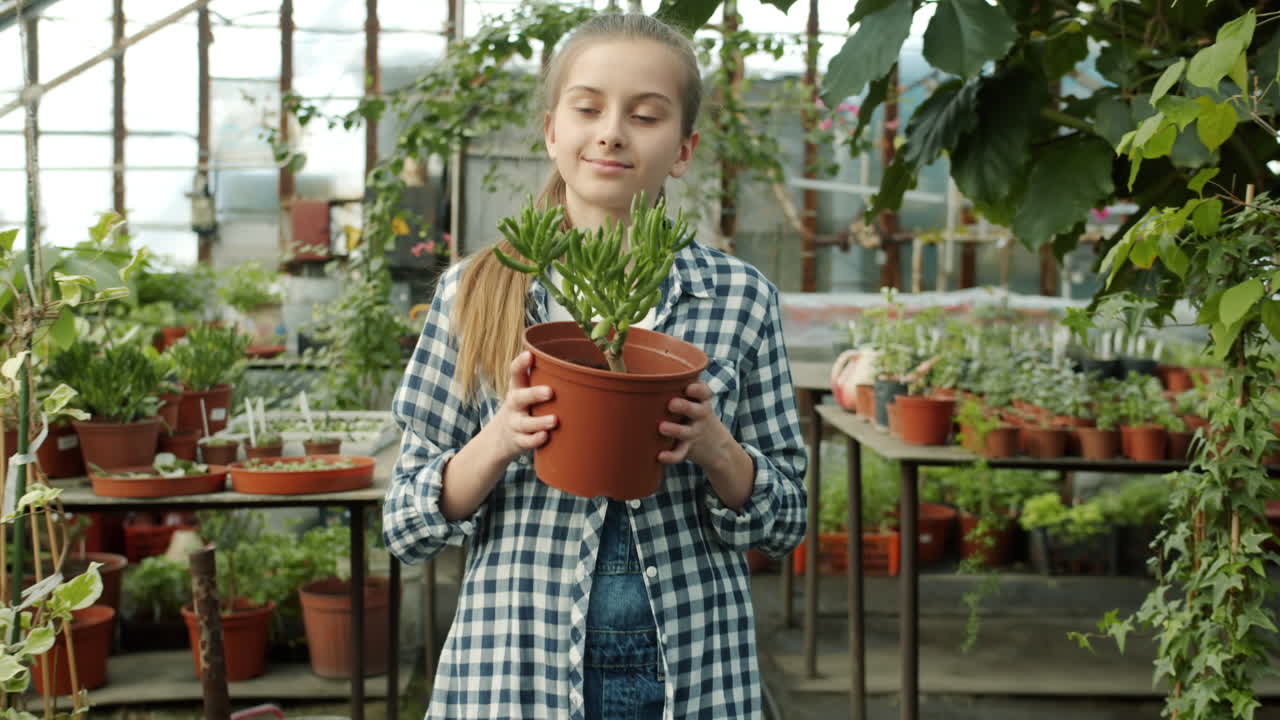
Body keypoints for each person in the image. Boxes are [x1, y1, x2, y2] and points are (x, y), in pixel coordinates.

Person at [383, 12, 807, 720]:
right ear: (552, 131)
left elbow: (785, 518)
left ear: (683, 149)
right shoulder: (477, 290)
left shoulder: (738, 299)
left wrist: (716, 448)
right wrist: (500, 439)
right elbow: (405, 523)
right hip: (517, 664)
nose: (612, 131)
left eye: (645, 115)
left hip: (692, 664)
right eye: (588, 108)